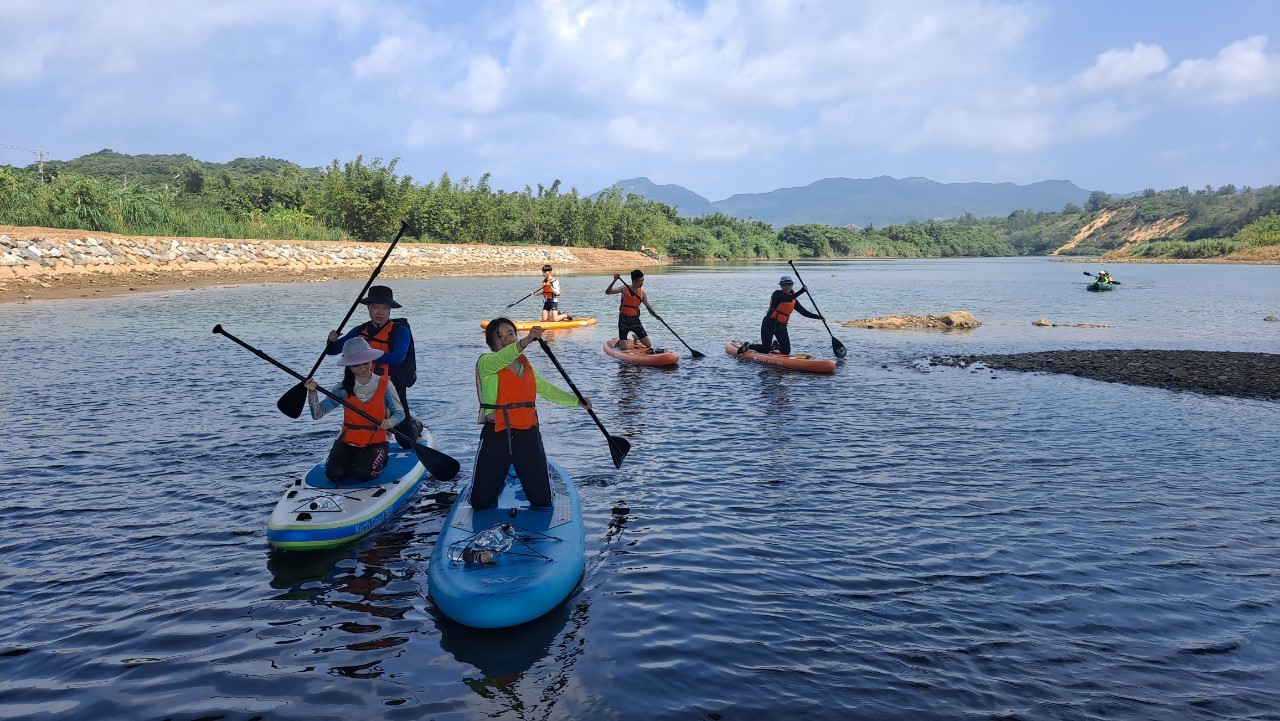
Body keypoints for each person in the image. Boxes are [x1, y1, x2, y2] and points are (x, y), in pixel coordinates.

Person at [472, 319, 591, 509]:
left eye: (511, 334)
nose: (506, 339)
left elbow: (545, 389)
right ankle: (496, 480)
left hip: (528, 435)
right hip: (497, 436)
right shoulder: (486, 363)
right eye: (499, 336)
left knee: (542, 500)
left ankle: (509, 477)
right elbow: (503, 357)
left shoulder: (524, 365)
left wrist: (575, 400)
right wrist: (526, 341)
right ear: (491, 342)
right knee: (479, 503)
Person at [326, 285, 420, 449]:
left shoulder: (400, 331)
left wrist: (366, 355)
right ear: (368, 308)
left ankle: (414, 424)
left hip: (392, 383)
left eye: (385, 308)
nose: (380, 312)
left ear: (390, 310)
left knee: (406, 442)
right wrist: (331, 339)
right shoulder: (359, 330)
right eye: (375, 307)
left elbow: (397, 358)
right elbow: (333, 351)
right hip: (362, 383)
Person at [304, 337, 406, 483]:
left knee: (363, 474)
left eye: (366, 363)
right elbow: (317, 414)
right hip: (348, 441)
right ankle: (352, 460)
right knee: (334, 474)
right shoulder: (342, 389)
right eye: (356, 366)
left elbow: (399, 414)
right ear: (349, 366)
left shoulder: (385, 385)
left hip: (376, 441)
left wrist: (389, 422)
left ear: (371, 360)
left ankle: (379, 461)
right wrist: (312, 393)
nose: (363, 369)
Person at [738, 275, 823, 356]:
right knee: (765, 350)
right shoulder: (777, 295)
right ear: (781, 286)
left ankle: (775, 346)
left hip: (781, 327)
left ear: (792, 285)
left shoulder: (794, 301)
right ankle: (748, 346)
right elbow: (787, 298)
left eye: (789, 285)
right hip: (768, 325)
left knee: (786, 352)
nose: (787, 287)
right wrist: (802, 291)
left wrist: (819, 317)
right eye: (784, 285)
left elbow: (804, 312)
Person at [605, 269, 663, 351]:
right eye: (640, 281)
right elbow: (608, 292)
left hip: (635, 321)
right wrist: (614, 281)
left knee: (648, 345)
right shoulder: (624, 289)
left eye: (643, 280)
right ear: (634, 281)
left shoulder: (642, 293)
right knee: (624, 348)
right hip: (623, 321)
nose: (642, 283)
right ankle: (620, 342)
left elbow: (649, 307)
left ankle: (636, 337)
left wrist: (656, 316)